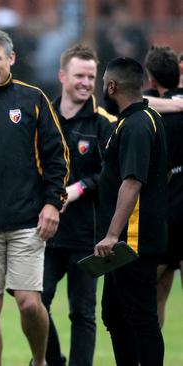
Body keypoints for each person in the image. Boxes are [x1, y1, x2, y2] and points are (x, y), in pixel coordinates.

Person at [0, 29, 69, 366]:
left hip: (28, 221)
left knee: (27, 301)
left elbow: (57, 157)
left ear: (11, 59)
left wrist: (53, 202)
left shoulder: (33, 98)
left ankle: (39, 359)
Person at [40, 44, 115, 366]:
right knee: (34, 300)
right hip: (45, 232)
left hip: (88, 235)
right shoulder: (43, 117)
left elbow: (110, 175)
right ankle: (53, 360)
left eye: (91, 76)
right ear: (62, 76)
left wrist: (79, 188)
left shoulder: (104, 124)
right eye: (79, 76)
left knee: (82, 312)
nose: (86, 82)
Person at [94, 56, 167, 366]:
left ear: (111, 86)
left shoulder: (137, 125)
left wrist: (112, 234)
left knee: (142, 319)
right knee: (114, 312)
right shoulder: (136, 120)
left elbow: (133, 181)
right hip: (126, 243)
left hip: (131, 242)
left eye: (102, 83)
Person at [143, 45, 183, 328]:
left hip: (163, 216)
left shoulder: (152, 115)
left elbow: (123, 101)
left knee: (156, 296)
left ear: (151, 78)